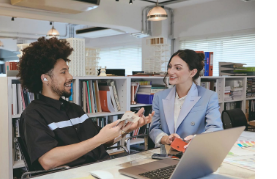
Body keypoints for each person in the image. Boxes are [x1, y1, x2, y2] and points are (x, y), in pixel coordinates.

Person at [18, 37, 154, 171]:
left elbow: (102, 141)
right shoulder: (33, 115)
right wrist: (98, 140)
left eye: (68, 71)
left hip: (103, 170)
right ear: (45, 78)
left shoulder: (75, 109)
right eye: (63, 72)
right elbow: (48, 161)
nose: (70, 76)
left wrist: (125, 129)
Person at [149, 49, 223, 148]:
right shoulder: (159, 97)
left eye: (178, 68)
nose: (170, 71)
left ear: (192, 73)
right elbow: (154, 129)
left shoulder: (209, 97)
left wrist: (197, 140)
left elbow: (215, 129)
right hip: (167, 152)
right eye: (170, 67)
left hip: (195, 151)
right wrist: (165, 138)